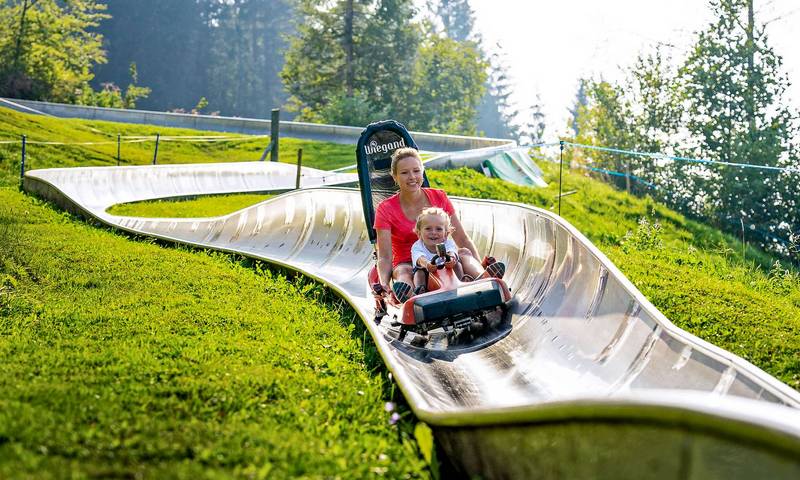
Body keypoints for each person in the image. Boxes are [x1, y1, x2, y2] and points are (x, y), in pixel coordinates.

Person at [373, 147, 505, 303]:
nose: (412, 177)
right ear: (394, 177)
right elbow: (385, 256)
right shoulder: (385, 208)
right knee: (403, 271)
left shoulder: (439, 196)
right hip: (410, 264)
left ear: (422, 172)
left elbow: (462, 238)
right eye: (404, 173)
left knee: (463, 253)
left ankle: (484, 278)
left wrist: (476, 262)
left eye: (416, 171)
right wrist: (384, 285)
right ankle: (410, 298)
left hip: (444, 259)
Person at [411, 207, 466, 295]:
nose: (433, 232)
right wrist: (427, 264)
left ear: (446, 233)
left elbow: (451, 252)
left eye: (439, 229)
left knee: (457, 264)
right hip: (428, 272)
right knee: (419, 272)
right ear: (419, 233)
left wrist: (451, 259)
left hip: (447, 269)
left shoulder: (448, 243)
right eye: (428, 228)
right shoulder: (417, 246)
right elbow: (420, 258)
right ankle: (420, 290)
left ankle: (462, 281)